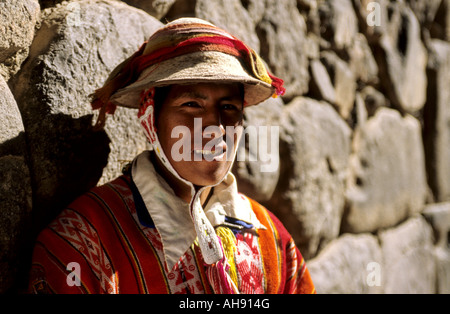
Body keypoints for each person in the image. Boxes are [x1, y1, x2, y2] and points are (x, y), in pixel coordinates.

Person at [28, 17, 315, 294]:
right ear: (151, 119)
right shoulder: (82, 243)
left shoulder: (272, 242)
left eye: (228, 107)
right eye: (192, 104)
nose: (214, 127)